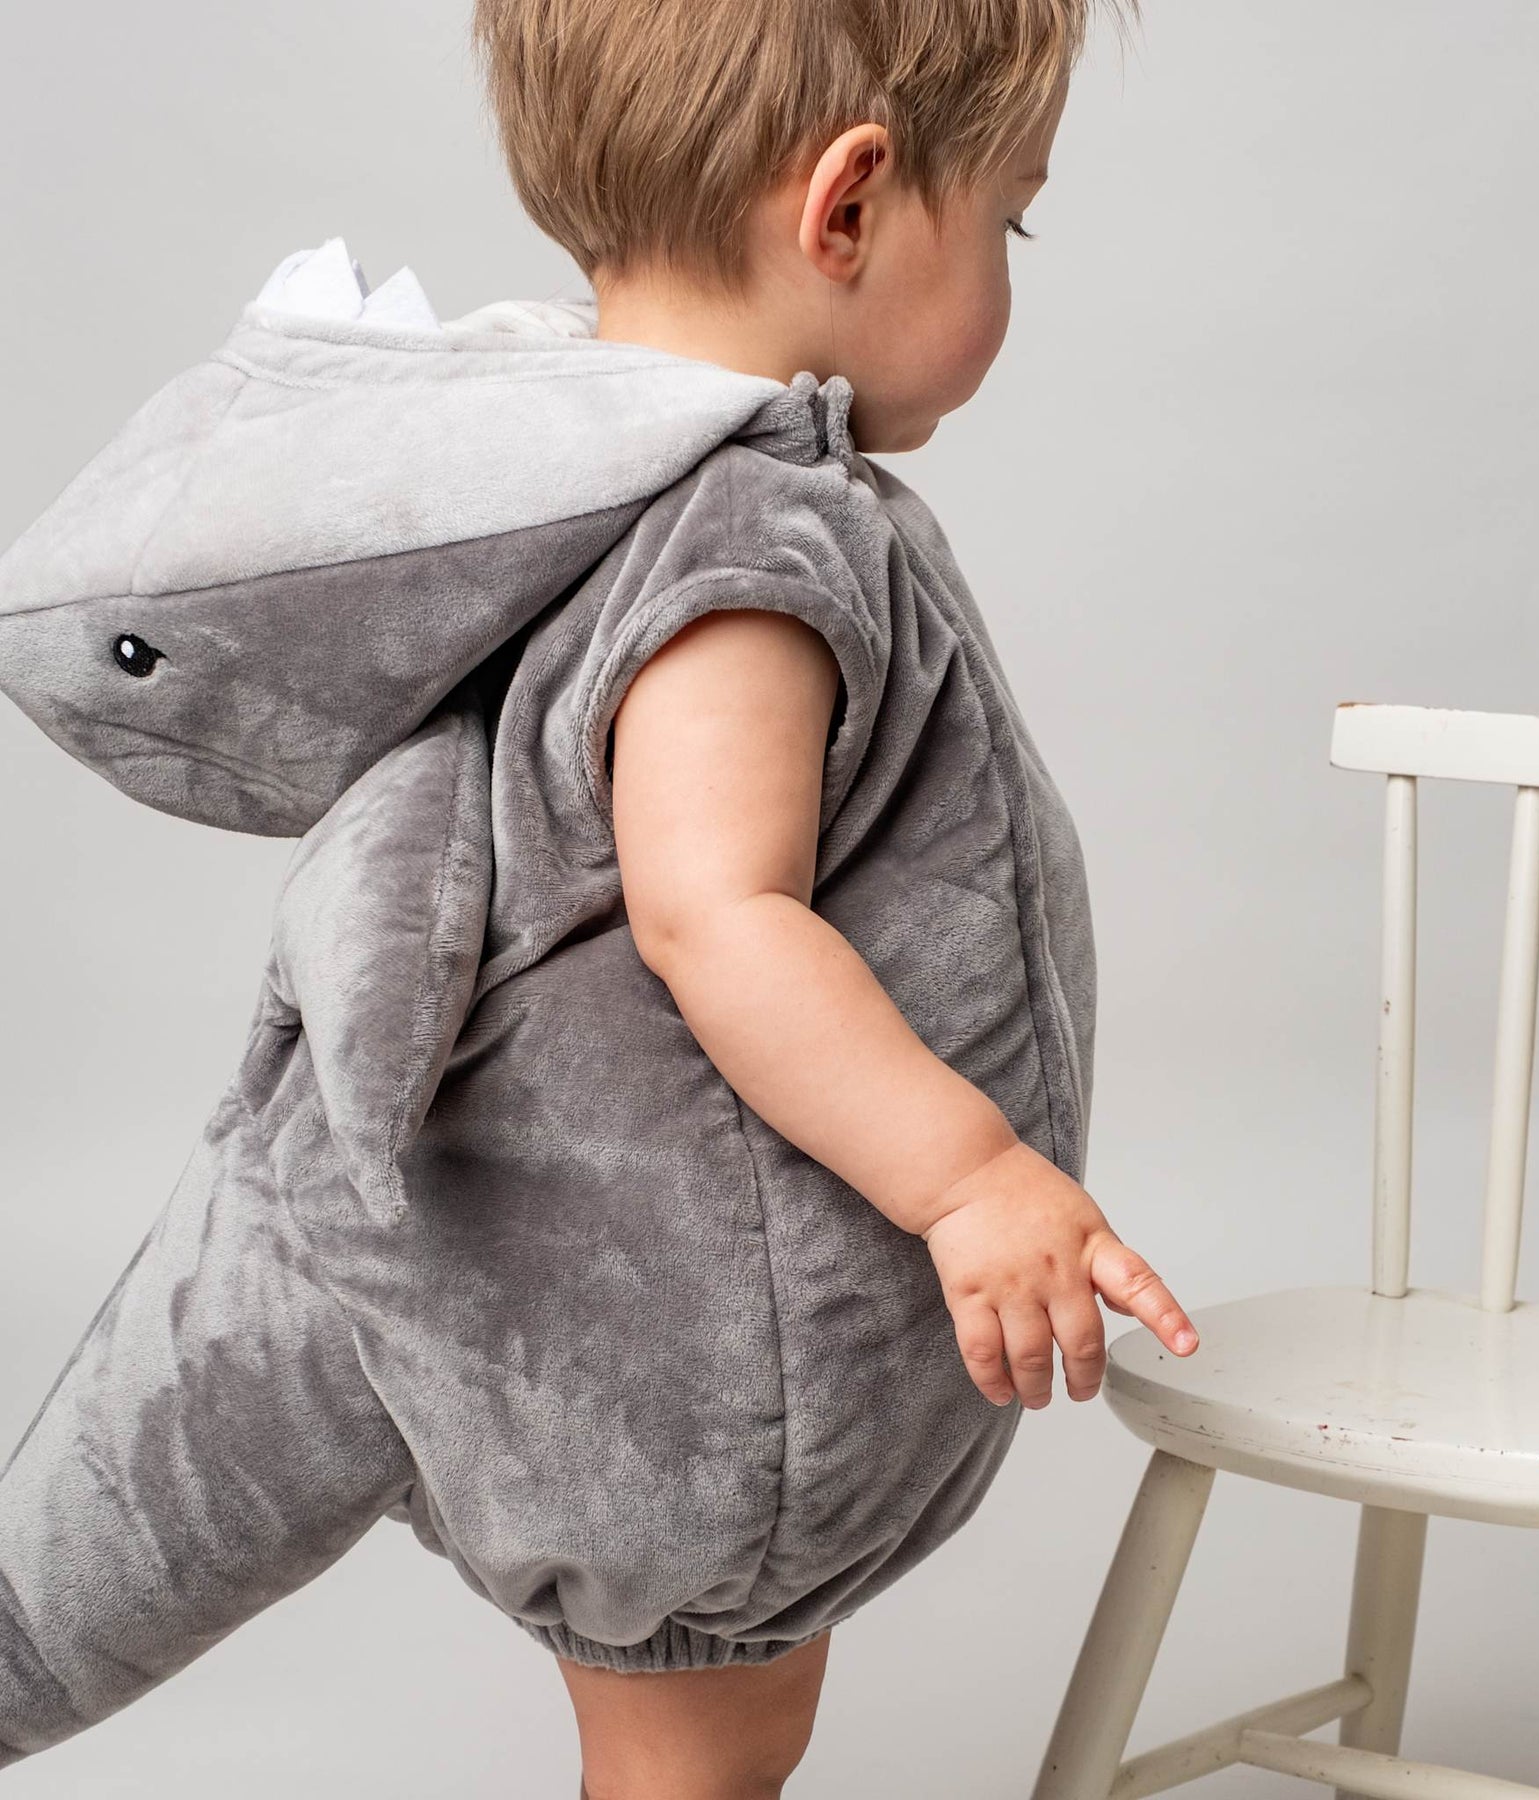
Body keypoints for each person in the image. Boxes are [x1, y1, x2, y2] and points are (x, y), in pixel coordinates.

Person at [0, 1, 1198, 1792]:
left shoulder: (559, 461)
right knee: (699, 1759)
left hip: (565, 1284)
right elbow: (716, 914)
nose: (1014, 266)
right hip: (660, 1348)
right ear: (849, 206)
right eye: (1010, 216)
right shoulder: (748, 538)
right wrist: (969, 1180)